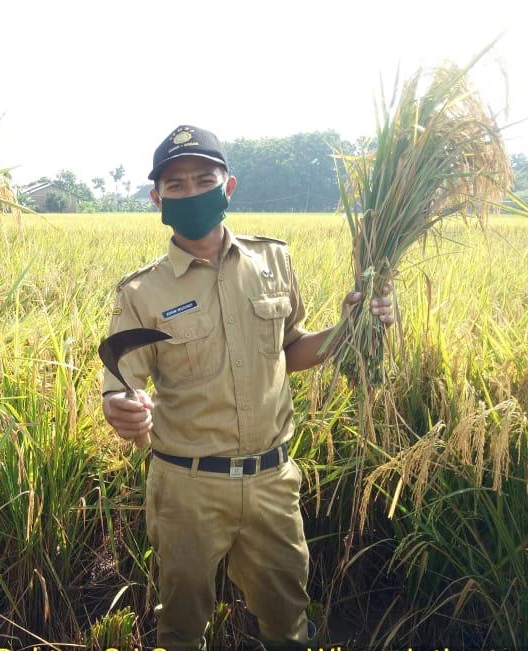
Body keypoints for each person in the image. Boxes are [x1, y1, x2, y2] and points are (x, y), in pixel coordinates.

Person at [101, 125, 395, 649]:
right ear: (156, 198)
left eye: (203, 179)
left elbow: (292, 349)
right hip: (187, 488)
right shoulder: (143, 291)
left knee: (288, 623)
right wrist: (124, 409)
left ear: (228, 186)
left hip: (271, 480)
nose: (191, 192)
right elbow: (123, 384)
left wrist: (352, 328)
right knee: (181, 629)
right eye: (176, 185)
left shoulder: (273, 261)